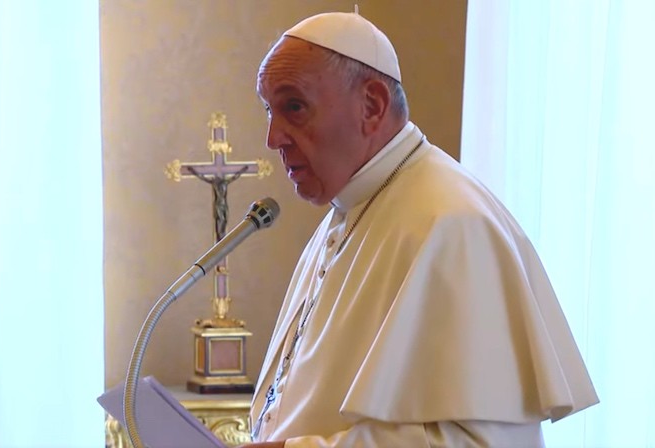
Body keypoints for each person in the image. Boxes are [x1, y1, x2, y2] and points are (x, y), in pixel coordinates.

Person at [243, 11, 599, 448]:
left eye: (293, 107)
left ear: (371, 106)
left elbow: (479, 443)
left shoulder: (453, 223)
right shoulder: (349, 212)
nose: (274, 137)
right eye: (269, 111)